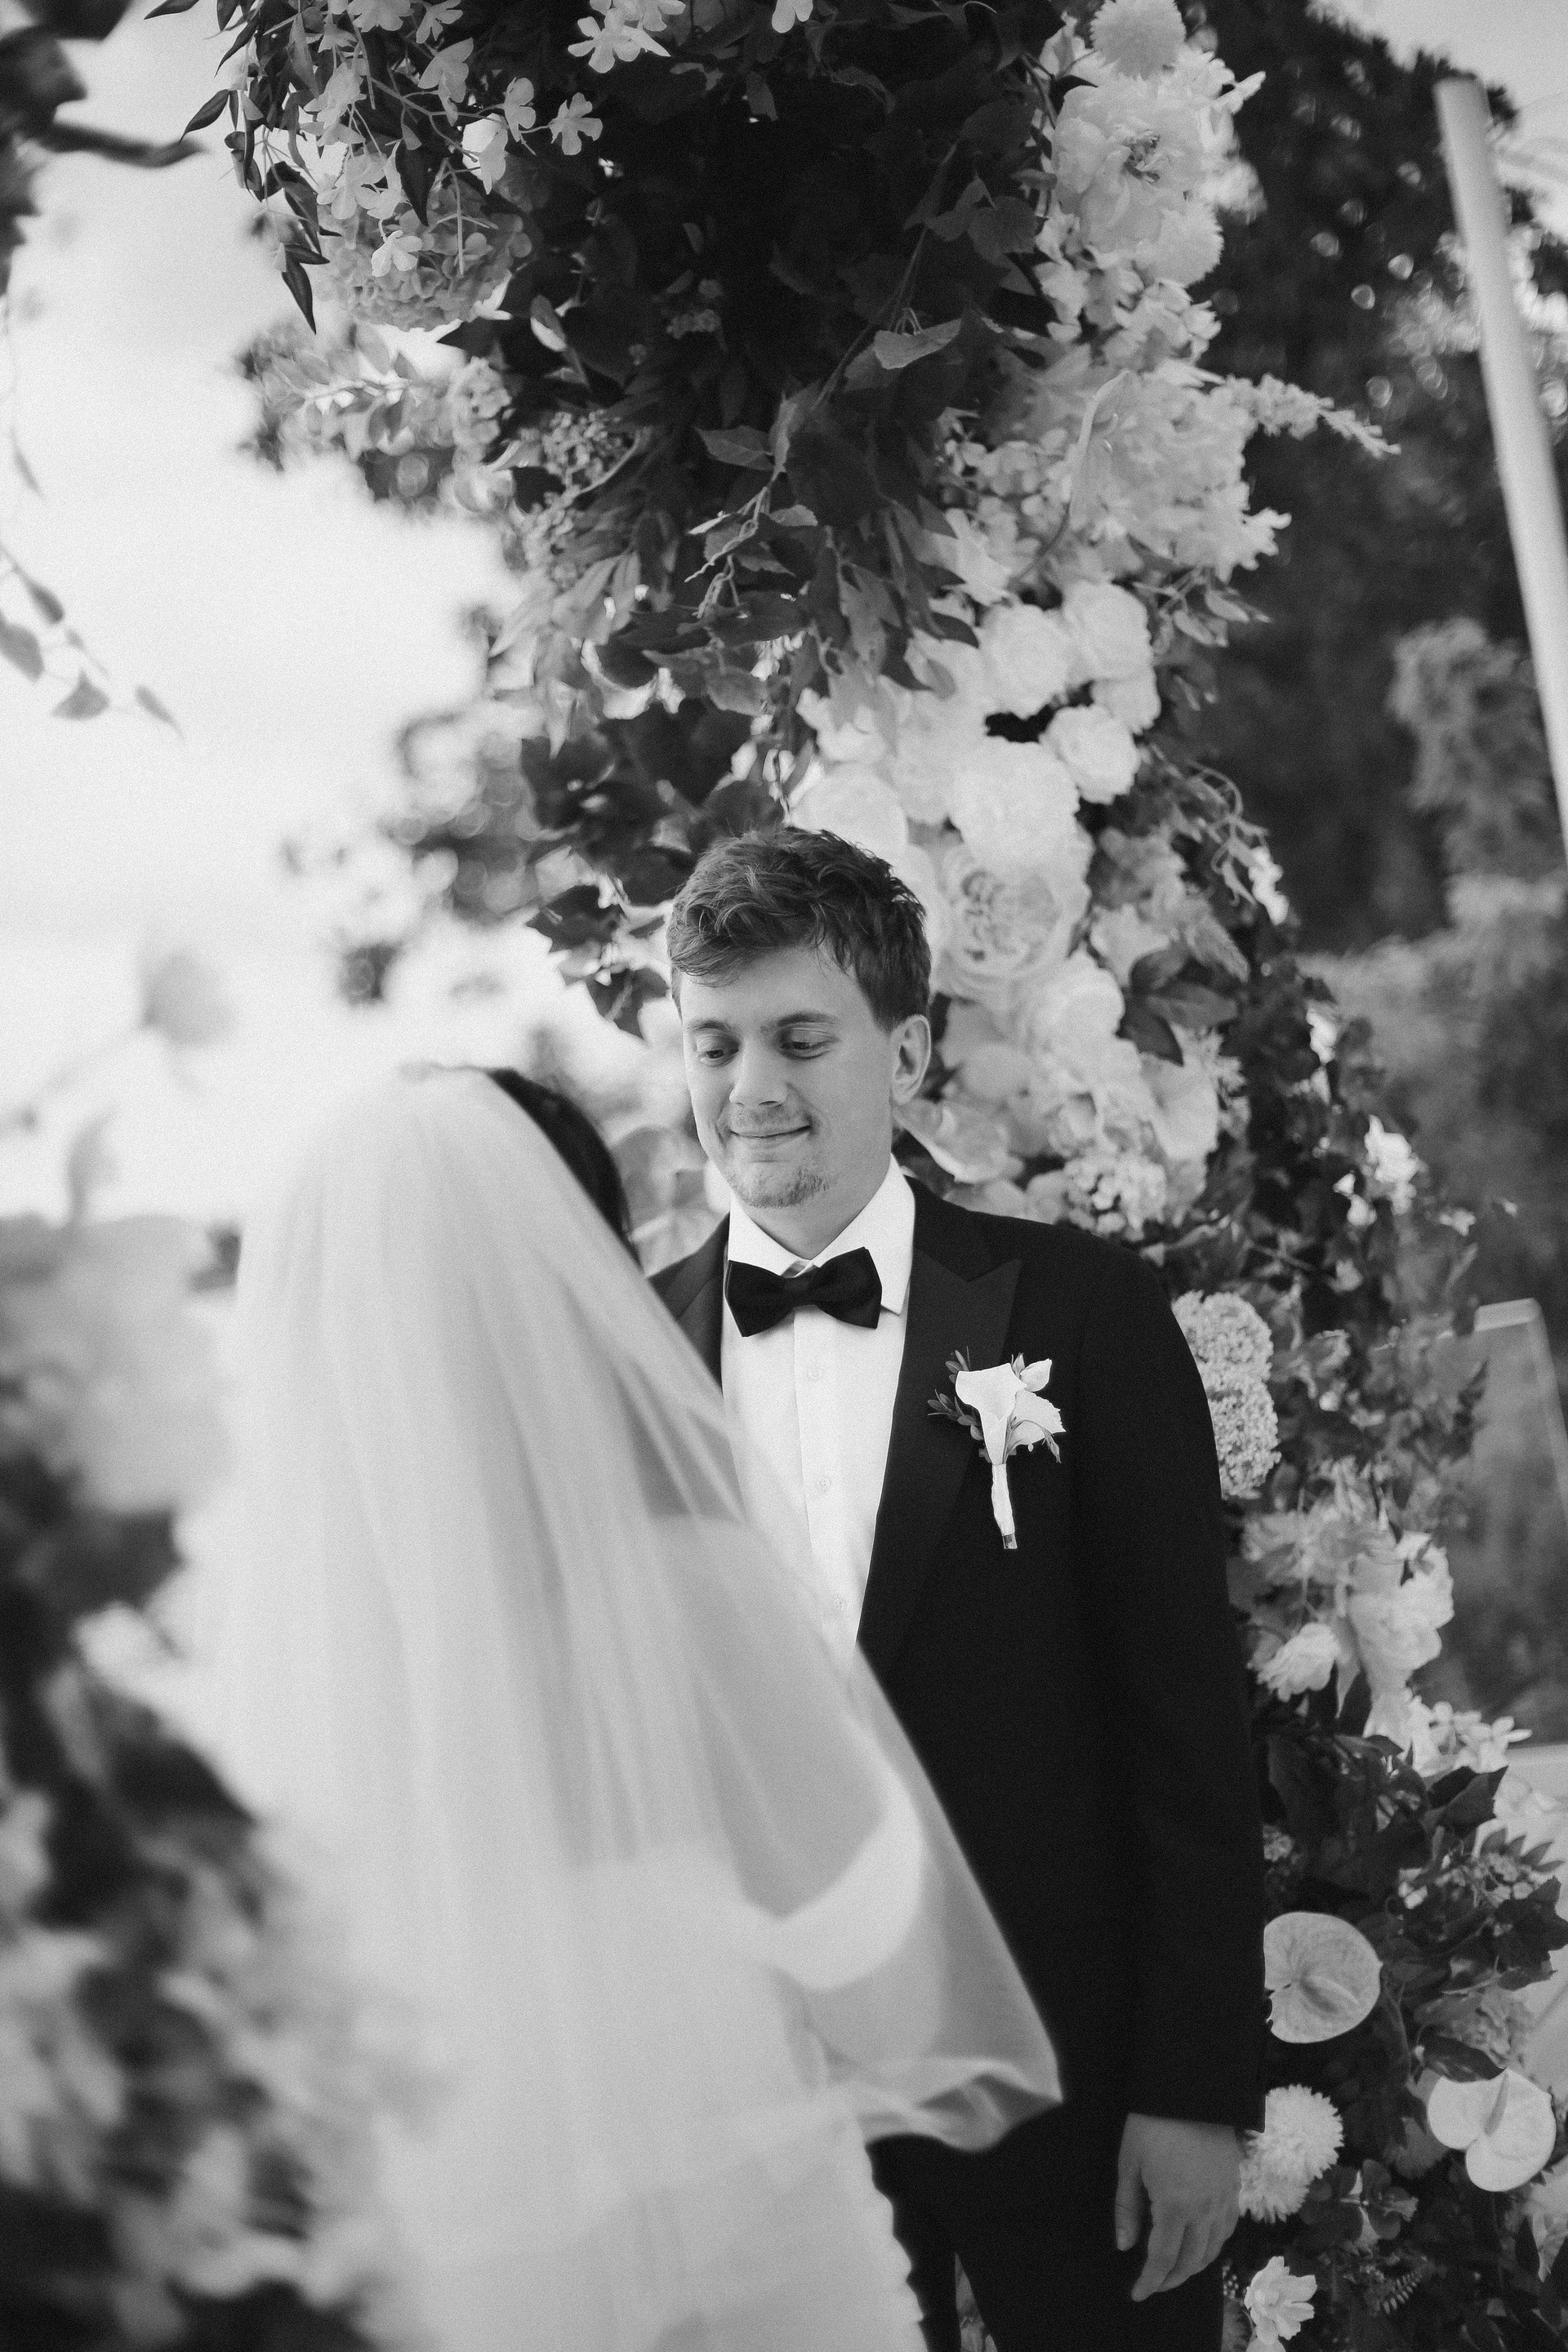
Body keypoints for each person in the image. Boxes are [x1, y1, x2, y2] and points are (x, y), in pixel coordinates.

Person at [218, 1064, 1061, 2352]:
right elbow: (892, 2000)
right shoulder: (688, 1597)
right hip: (756, 2283)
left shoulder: (289, 1688)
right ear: (578, 1276)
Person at [652, 828, 1267, 2352]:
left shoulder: (1083, 1312)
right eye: (715, 1043)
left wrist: (1193, 2086)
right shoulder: (632, 1358)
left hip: (1075, 2075)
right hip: (771, 2105)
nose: (751, 1087)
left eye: (801, 1039)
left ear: (909, 1052)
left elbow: (1187, 1721)